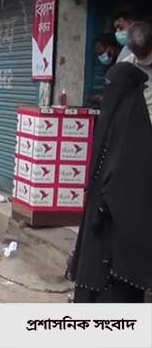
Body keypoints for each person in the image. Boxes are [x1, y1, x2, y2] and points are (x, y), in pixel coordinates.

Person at [68, 60, 152, 302]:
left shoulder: (133, 129)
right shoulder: (117, 120)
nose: (107, 93)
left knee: (111, 287)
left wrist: (105, 206)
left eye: (110, 86)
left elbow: (128, 179)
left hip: (115, 224)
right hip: (101, 218)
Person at [87, 33, 121, 107]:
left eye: (102, 53)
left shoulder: (126, 61)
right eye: (98, 55)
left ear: (111, 47)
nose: (102, 57)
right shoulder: (109, 68)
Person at [127, 21, 152, 119]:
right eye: (139, 54)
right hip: (141, 124)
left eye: (145, 53)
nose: (143, 58)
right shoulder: (126, 66)